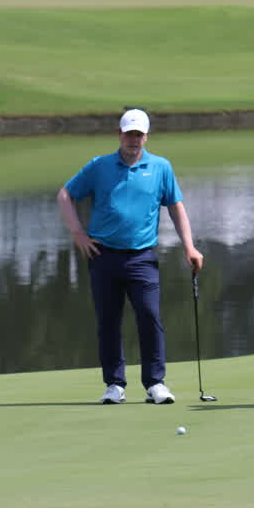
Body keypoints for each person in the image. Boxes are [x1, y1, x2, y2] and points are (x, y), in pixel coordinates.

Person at [57, 109, 204, 405]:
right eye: (129, 134)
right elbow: (65, 195)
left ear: (146, 137)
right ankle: (114, 385)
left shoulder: (160, 167)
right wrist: (78, 234)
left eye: (138, 134)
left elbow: (175, 207)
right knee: (108, 321)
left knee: (149, 316)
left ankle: (155, 383)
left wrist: (189, 246)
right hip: (103, 255)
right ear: (119, 135)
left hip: (142, 256)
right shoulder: (99, 166)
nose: (133, 140)